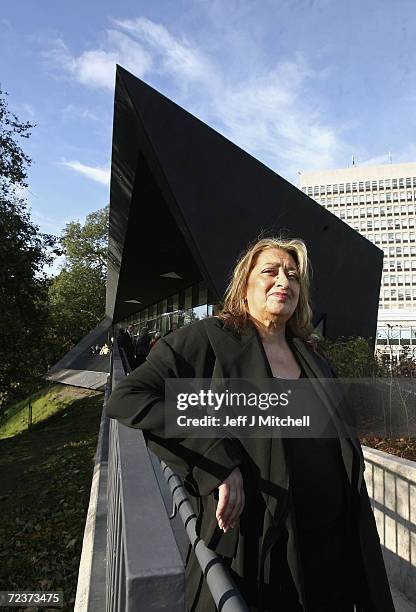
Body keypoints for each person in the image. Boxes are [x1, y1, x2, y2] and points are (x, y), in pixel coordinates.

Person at [105, 237, 394, 612]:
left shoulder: (311, 356)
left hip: (332, 551)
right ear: (245, 285)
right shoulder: (208, 339)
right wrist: (218, 459)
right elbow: (130, 397)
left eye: (293, 275)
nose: (283, 281)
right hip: (263, 552)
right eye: (270, 272)